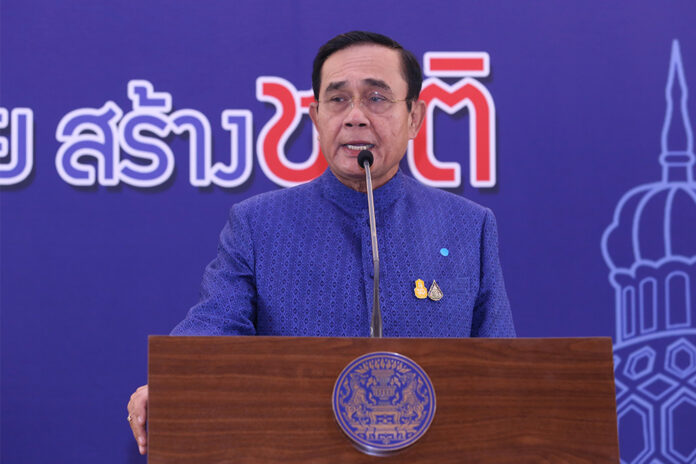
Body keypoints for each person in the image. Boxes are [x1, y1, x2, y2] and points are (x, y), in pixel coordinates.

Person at [127, 31, 515, 455]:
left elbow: (503, 371)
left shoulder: (467, 227)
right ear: (315, 119)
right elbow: (214, 326)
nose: (355, 117)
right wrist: (172, 382)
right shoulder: (259, 224)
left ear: (416, 118)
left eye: (377, 98)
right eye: (337, 100)